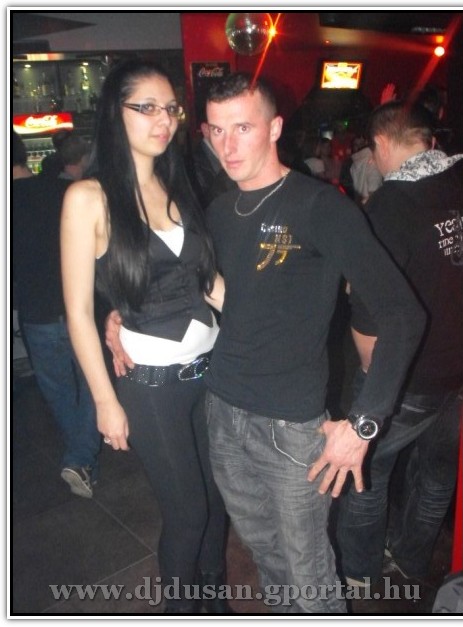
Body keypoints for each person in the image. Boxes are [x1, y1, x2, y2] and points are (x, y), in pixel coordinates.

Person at [107, 72, 425, 613]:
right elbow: (186, 284)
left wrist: (364, 424)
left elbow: (403, 314)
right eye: (216, 130)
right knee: (266, 558)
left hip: (291, 428)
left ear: (275, 128)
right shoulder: (216, 212)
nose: (228, 145)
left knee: (309, 574)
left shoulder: (320, 206)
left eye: (243, 128)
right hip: (223, 414)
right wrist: (120, 315)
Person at [60, 58, 229, 614]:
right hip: (152, 386)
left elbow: (209, 283)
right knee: (187, 512)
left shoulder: (179, 182)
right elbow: (78, 313)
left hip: (213, 373)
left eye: (171, 108)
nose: (165, 120)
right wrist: (105, 402)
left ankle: (214, 602)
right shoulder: (88, 197)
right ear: (116, 112)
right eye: (148, 107)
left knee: (217, 502)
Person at [337, 100, 463, 586]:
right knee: (437, 472)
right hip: (462, 368)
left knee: (366, 471)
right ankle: (412, 558)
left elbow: (369, 309)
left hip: (411, 373)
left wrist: (374, 382)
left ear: (382, 144)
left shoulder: (389, 206)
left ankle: (360, 572)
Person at [12, 130, 101, 498]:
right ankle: (80, 456)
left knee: (59, 393)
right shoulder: (63, 192)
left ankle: (80, 456)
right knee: (94, 383)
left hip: (36, 313)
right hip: (79, 306)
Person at [190, 120, 235, 207]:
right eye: (219, 130)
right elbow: (204, 208)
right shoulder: (190, 167)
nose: (232, 139)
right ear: (206, 130)